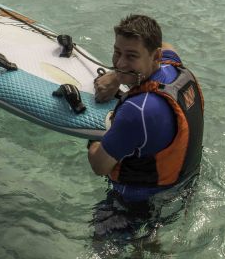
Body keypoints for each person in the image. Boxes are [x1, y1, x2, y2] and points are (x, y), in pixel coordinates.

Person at [87, 14, 204, 237]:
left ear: (155, 56)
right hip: (183, 189)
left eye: (131, 56)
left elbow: (99, 166)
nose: (120, 62)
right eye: (117, 52)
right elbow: (167, 45)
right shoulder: (177, 71)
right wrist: (118, 77)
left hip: (133, 208)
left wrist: (92, 138)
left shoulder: (138, 112)